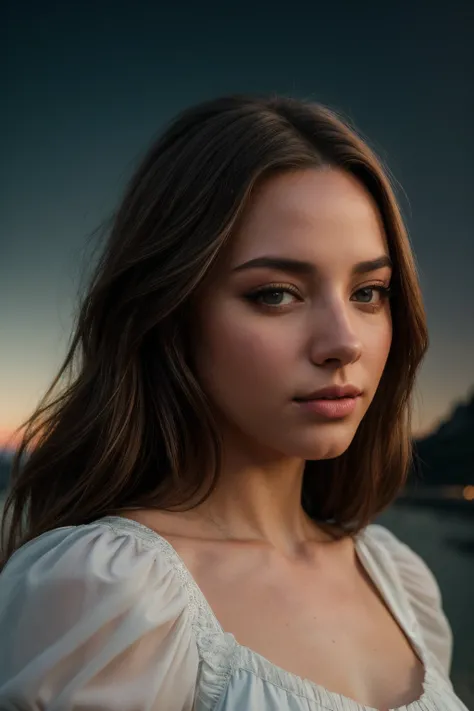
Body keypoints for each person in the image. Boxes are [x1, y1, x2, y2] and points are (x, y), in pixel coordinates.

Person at [0, 95, 467, 711]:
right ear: (171, 311)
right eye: (276, 294)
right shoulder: (108, 597)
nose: (343, 342)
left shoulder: (399, 580)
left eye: (368, 292)